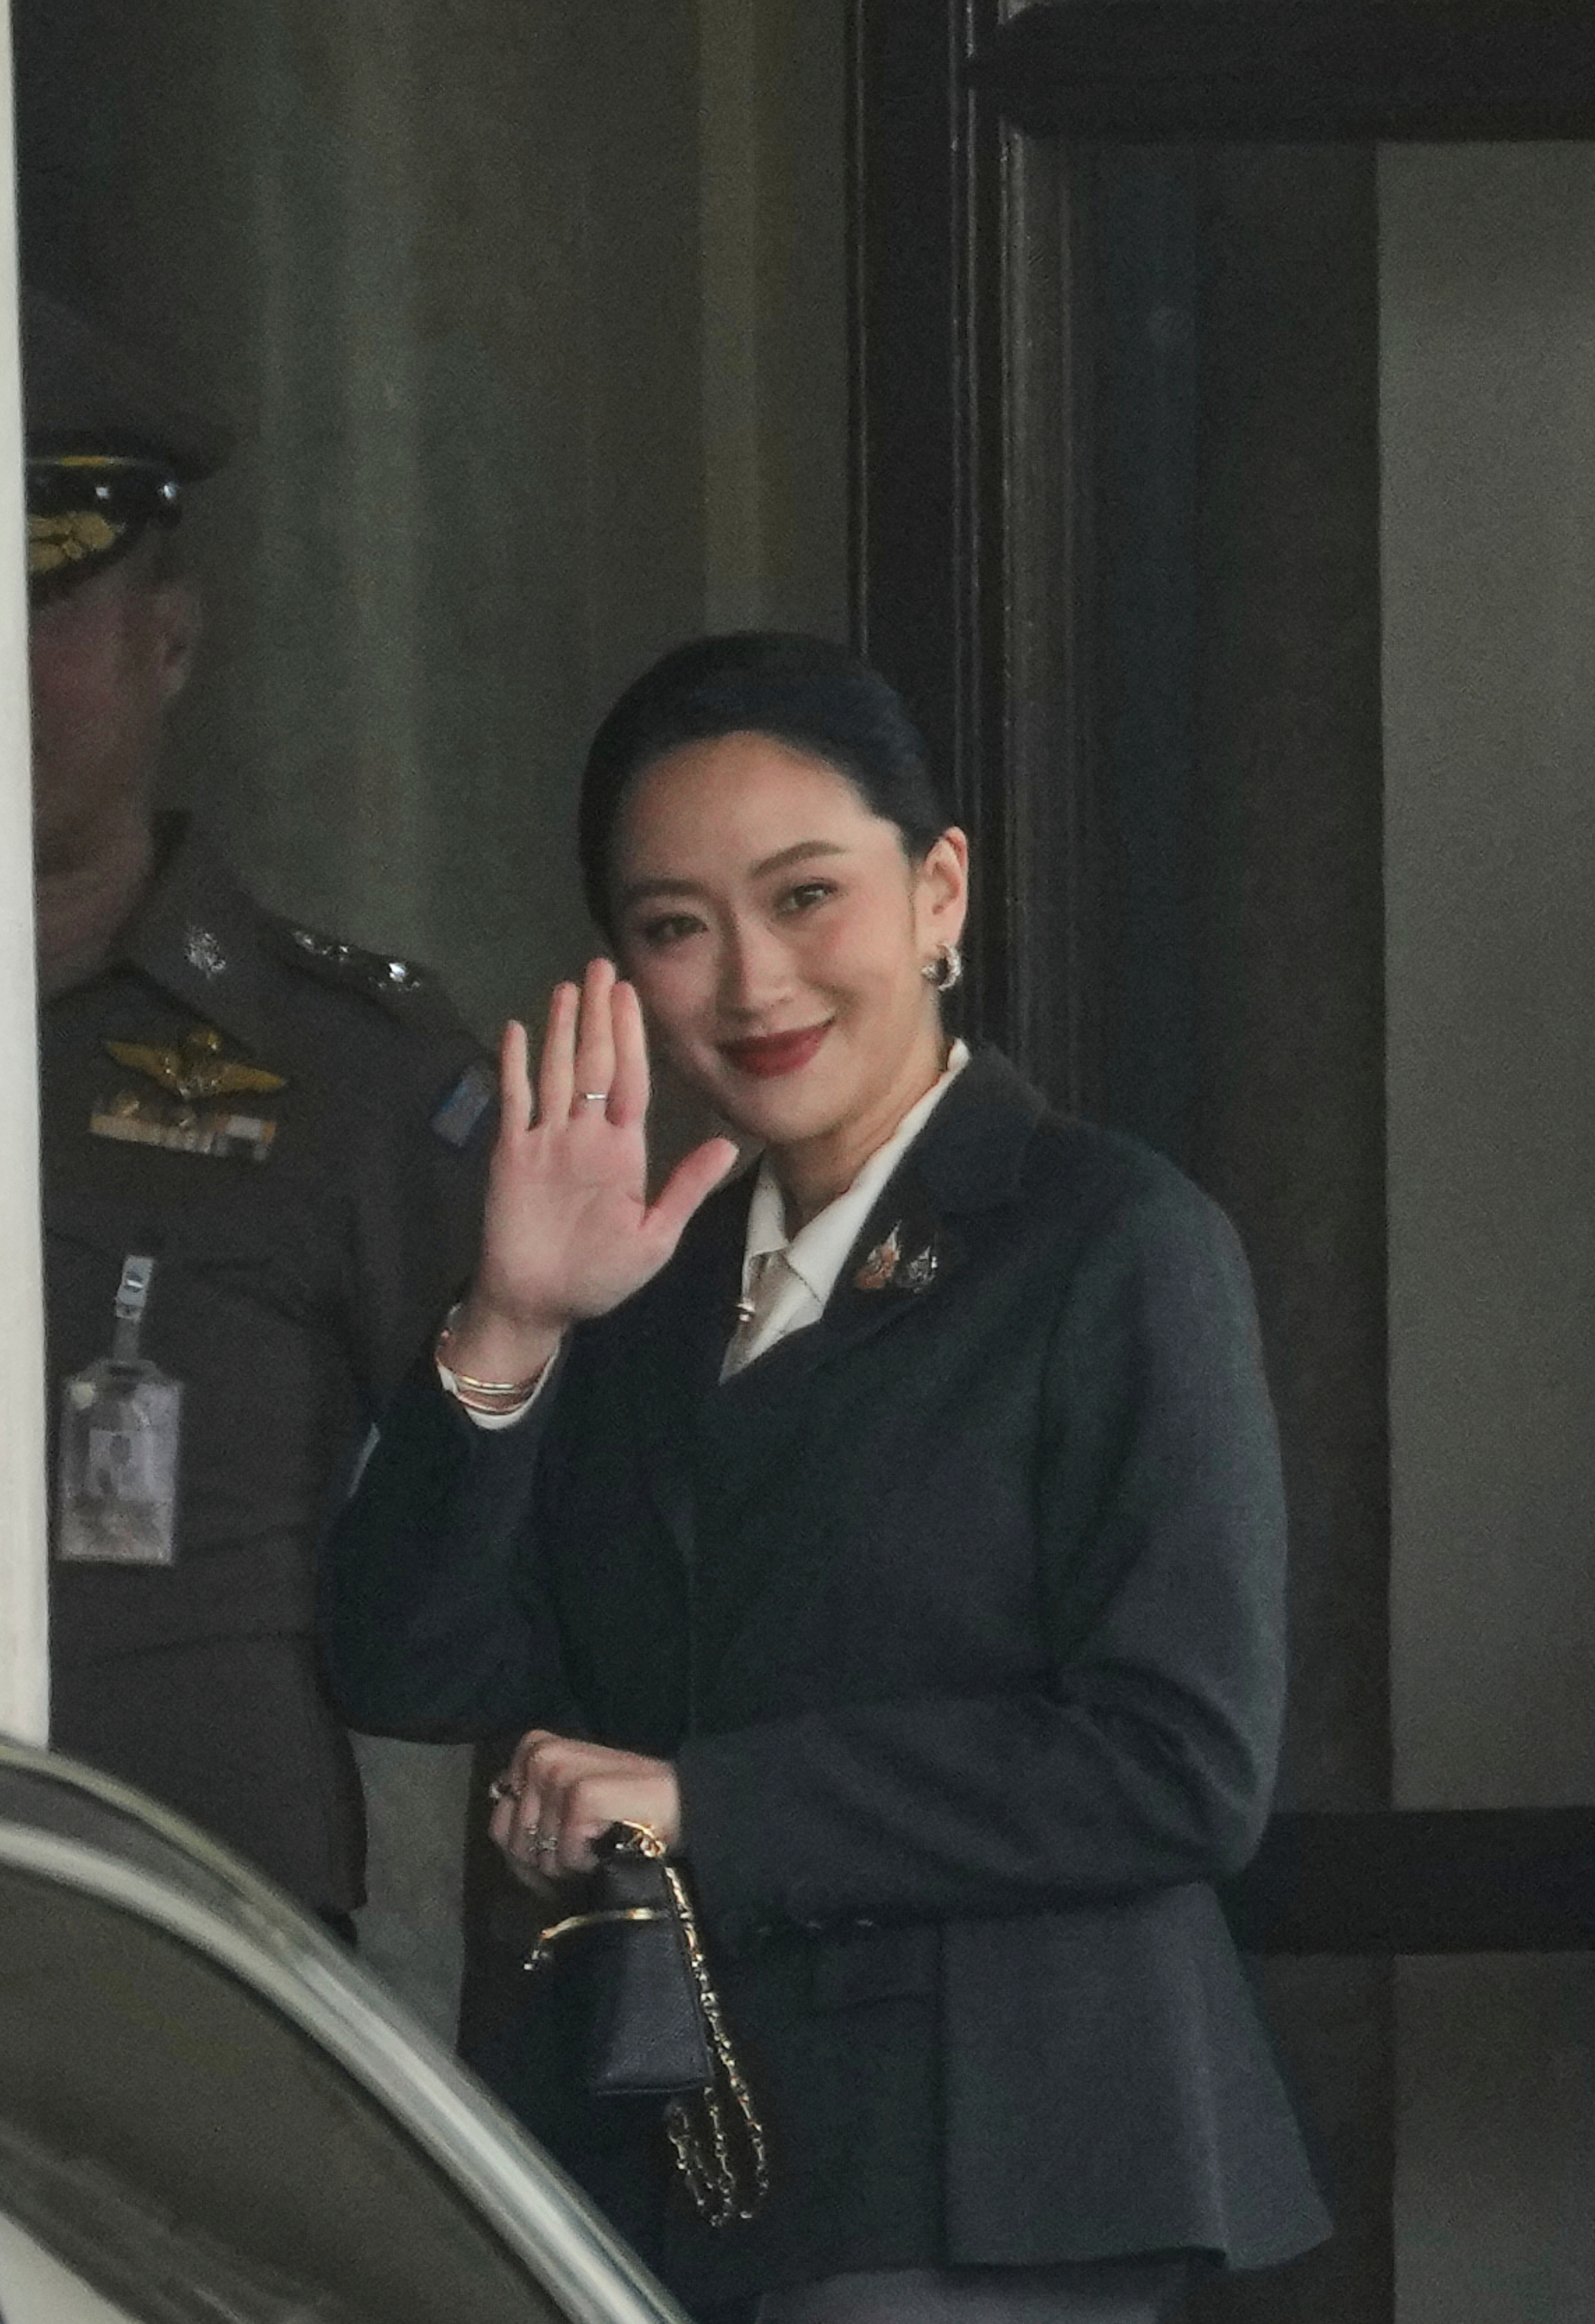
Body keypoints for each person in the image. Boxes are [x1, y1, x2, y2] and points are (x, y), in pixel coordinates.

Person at [325, 634, 1327, 2323]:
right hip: (659, 2162)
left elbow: (1182, 1760)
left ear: (940, 891)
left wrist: (706, 1802)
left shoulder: (1108, 1238)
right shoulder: (646, 1277)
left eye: (806, 897)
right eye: (674, 926)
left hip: (987, 2167)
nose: (752, 982)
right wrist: (510, 1320)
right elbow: (411, 1662)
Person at [23, 289, 491, 1930]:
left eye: (52, 606)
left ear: (170, 640)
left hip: (199, 1945)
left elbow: (480, 1582)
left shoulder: (352, 1071)